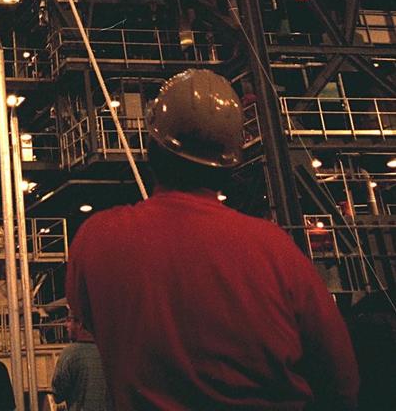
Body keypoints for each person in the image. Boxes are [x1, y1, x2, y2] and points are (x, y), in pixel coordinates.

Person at [67, 69, 359, 410]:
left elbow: (88, 325)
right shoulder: (275, 247)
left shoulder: (98, 239)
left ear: (153, 148)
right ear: (229, 162)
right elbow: (340, 379)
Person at [51, 318, 112, 411]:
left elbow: (58, 395)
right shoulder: (110, 353)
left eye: (69, 320)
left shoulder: (69, 354)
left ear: (79, 323)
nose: (65, 324)